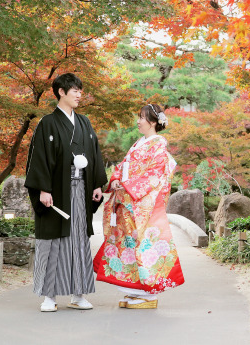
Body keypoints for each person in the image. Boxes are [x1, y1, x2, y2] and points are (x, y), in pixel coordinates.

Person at [25, 73, 106, 312]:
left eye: (81, 90)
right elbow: (39, 157)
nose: (80, 94)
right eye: (75, 90)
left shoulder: (84, 123)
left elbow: (95, 154)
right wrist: (43, 189)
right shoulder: (47, 123)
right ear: (61, 91)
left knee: (79, 240)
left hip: (80, 190)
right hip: (56, 192)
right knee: (53, 243)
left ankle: (78, 294)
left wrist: (97, 184)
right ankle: (49, 296)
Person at [93, 103, 184, 309]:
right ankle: (134, 292)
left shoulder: (158, 144)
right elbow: (123, 166)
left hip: (143, 206)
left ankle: (148, 294)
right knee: (128, 247)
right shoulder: (138, 144)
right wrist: (115, 179)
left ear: (152, 121)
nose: (138, 121)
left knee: (144, 247)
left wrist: (126, 185)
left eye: (141, 117)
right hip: (127, 203)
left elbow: (154, 175)